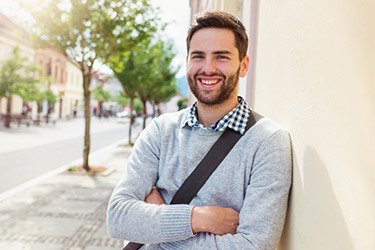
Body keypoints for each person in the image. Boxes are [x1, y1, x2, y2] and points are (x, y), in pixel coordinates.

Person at [107, 11, 292, 249]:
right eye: (198, 56)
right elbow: (118, 217)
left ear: (243, 65)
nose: (208, 68)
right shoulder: (161, 131)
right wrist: (201, 218)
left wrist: (157, 222)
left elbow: (253, 245)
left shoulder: (268, 141)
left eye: (221, 57)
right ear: (187, 63)